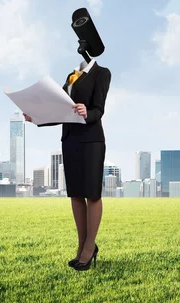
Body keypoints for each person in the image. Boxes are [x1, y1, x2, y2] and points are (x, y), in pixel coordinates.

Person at [24, 58, 111, 271]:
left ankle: (90, 248)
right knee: (76, 195)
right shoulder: (71, 76)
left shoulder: (102, 73)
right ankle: (81, 247)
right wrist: (36, 118)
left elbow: (99, 109)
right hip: (70, 140)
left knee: (92, 195)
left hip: (91, 140)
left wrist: (86, 112)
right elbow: (59, 110)